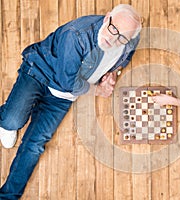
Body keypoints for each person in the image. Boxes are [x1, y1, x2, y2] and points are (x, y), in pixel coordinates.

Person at [0, 4, 142, 199]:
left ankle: (7, 197)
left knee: (35, 145)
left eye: (122, 37)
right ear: (107, 17)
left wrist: (112, 73)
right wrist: (99, 90)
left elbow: (125, 58)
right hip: (40, 73)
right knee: (12, 121)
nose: (114, 38)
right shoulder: (76, 35)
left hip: (62, 98)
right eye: (113, 29)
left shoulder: (130, 38)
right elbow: (69, 83)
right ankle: (8, 118)